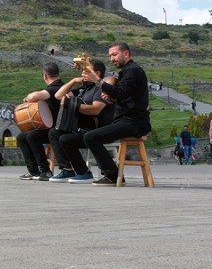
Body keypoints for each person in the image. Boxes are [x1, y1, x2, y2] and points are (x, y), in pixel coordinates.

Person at [80, 42, 151, 186]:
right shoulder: (127, 71)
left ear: (126, 53)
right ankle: (112, 173)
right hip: (127, 121)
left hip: (134, 123)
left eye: (114, 54)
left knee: (90, 137)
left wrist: (98, 81)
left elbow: (121, 93)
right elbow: (124, 97)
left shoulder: (132, 71)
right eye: (110, 56)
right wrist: (112, 99)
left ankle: (112, 175)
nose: (112, 58)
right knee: (91, 136)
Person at [48, 59, 114, 182]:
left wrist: (71, 105)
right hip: (83, 129)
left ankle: (84, 172)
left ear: (97, 73)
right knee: (54, 133)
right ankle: (67, 169)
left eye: (87, 71)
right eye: (82, 71)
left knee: (66, 139)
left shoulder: (100, 89)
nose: (83, 74)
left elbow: (95, 110)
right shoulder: (84, 89)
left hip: (96, 130)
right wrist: (73, 81)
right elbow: (58, 96)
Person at [15, 62, 61, 181]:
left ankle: (45, 170)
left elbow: (32, 97)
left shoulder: (55, 88)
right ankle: (33, 171)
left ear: (45, 76)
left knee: (32, 136)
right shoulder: (58, 86)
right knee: (21, 137)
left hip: (57, 129)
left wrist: (27, 98)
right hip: (51, 128)